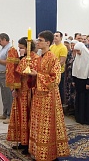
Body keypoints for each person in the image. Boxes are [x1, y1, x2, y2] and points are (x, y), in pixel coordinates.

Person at [28, 30, 70, 160]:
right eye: (37, 40)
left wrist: (37, 75)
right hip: (38, 96)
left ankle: (48, 154)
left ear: (47, 42)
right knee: (37, 124)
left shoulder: (52, 58)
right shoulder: (41, 57)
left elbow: (55, 80)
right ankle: (38, 151)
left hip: (48, 97)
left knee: (48, 126)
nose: (37, 42)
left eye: (40, 40)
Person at [7, 37, 40, 155]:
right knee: (21, 116)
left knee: (28, 118)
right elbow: (17, 73)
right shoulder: (24, 58)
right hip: (21, 92)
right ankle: (22, 140)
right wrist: (14, 88)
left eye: (22, 48)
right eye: (19, 48)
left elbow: (29, 73)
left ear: (28, 47)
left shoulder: (36, 59)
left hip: (30, 93)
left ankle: (28, 144)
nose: (20, 50)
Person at [72, 42, 89, 124]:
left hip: (88, 83)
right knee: (80, 100)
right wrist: (74, 80)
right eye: (76, 51)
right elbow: (75, 70)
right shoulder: (77, 57)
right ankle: (80, 118)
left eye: (78, 51)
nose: (78, 53)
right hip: (79, 83)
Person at [0, 33, 13, 122]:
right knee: (4, 94)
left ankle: (10, 114)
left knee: (8, 95)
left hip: (6, 73)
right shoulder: (4, 48)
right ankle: (4, 112)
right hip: (1, 73)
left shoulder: (10, 48)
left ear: (5, 39)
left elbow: (10, 62)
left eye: (0, 41)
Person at [50, 31, 68, 105]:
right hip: (51, 71)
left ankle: (59, 105)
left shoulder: (63, 48)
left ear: (61, 37)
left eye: (57, 36)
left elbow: (62, 61)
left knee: (59, 89)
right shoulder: (51, 47)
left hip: (59, 71)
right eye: (54, 36)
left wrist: (54, 67)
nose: (55, 37)